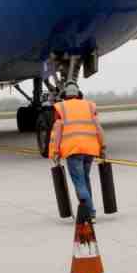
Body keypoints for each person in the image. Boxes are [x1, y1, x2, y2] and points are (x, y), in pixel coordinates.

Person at [47, 80, 106, 220]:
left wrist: (54, 152)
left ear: (64, 94)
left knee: (79, 183)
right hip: (90, 150)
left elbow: (57, 132)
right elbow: (99, 128)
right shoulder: (90, 106)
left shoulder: (60, 107)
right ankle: (90, 211)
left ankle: (90, 213)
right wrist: (102, 147)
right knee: (85, 180)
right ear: (79, 94)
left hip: (73, 151)